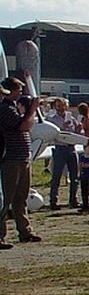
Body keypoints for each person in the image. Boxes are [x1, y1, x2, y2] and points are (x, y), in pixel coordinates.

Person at [0, 76, 41, 246]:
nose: (21, 93)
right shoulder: (5, 109)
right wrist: (32, 110)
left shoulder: (15, 109)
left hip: (23, 157)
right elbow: (23, 126)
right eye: (18, 90)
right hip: (11, 158)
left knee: (21, 197)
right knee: (6, 198)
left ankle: (24, 230)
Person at [47, 98, 84, 209]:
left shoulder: (72, 119)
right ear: (55, 107)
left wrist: (79, 129)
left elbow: (79, 134)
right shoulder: (52, 120)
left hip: (71, 148)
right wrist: (62, 127)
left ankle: (73, 199)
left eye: (63, 105)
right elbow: (52, 134)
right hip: (60, 148)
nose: (61, 107)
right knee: (56, 175)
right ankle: (53, 200)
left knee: (75, 176)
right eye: (58, 105)